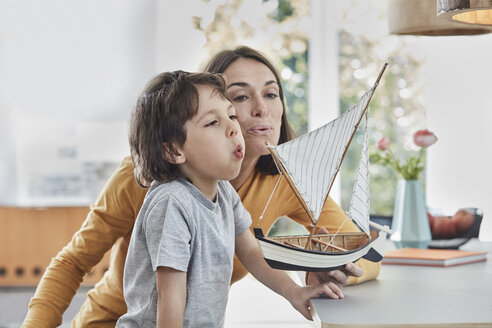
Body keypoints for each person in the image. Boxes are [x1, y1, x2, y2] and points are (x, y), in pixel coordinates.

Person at [22, 46, 380, 328]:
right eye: (239, 97)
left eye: (271, 94)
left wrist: (325, 274)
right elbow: (82, 266)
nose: (259, 110)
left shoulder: (271, 183)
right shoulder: (150, 184)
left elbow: (361, 251)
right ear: (175, 145)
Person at [116, 70, 342, 327]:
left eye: (231, 115)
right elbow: (171, 298)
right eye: (213, 122)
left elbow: (251, 252)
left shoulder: (222, 190)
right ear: (173, 149)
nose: (233, 128)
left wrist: (294, 292)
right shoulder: (171, 203)